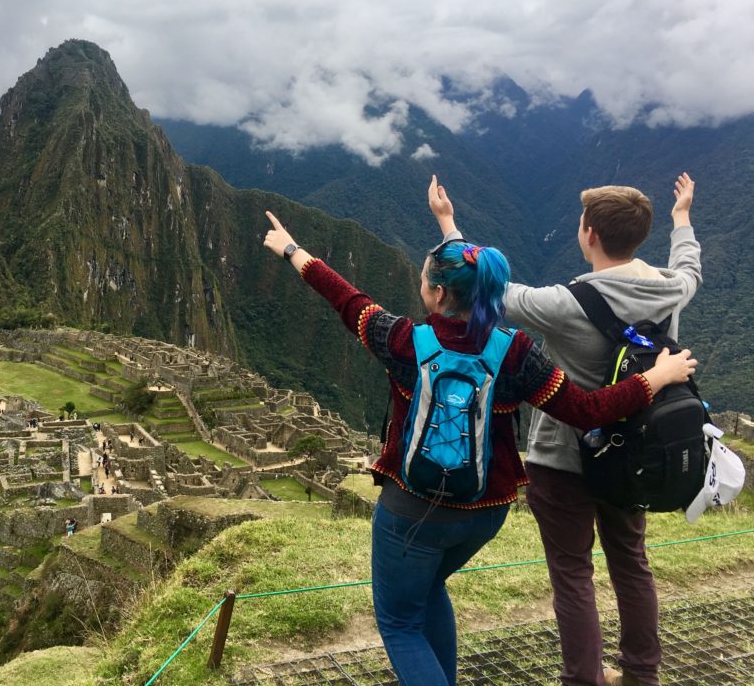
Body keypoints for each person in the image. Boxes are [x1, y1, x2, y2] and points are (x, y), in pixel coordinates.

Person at [262, 208, 697, 686]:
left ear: (439, 293)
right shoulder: (516, 352)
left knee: (400, 623)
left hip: (411, 507)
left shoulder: (403, 339)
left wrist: (292, 250)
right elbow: (588, 410)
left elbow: (346, 299)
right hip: (484, 511)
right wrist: (653, 378)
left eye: (426, 279)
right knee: (428, 591)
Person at [428, 173, 700, 686]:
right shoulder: (672, 289)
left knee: (574, 574)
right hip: (636, 457)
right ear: (638, 237)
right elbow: (690, 267)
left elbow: (486, 288)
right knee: (631, 563)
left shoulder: (564, 303)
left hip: (563, 461)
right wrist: (681, 217)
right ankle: (642, 673)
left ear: (589, 234)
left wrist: (448, 225)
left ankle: (583, 679)